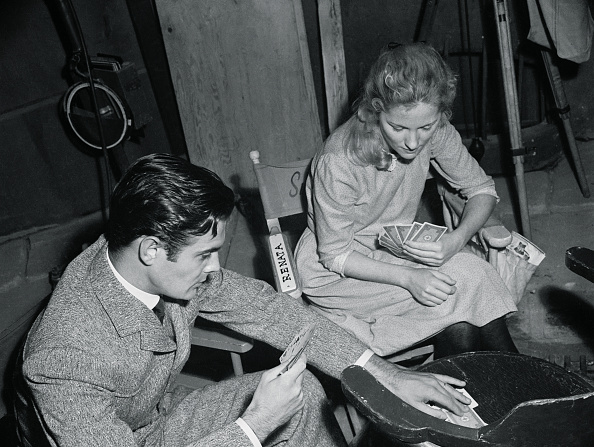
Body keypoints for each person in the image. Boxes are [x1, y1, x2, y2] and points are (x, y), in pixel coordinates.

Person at [13, 153, 471, 447]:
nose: (216, 269)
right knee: (272, 409)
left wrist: (382, 374)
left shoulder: (141, 253)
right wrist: (253, 426)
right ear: (151, 249)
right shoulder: (61, 358)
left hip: (157, 419)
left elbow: (269, 310)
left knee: (306, 394)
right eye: (205, 255)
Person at [294, 42, 519, 359]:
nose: (413, 142)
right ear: (375, 110)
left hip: (394, 248)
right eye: (397, 127)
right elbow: (335, 255)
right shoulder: (340, 159)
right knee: (459, 296)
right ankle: (519, 383)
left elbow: (481, 189)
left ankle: (503, 390)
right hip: (337, 274)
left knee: (469, 285)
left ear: (439, 115)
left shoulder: (436, 129)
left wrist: (456, 240)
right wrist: (410, 278)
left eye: (425, 127)